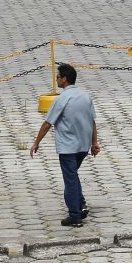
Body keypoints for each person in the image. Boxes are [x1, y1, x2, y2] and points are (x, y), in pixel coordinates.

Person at [30, 63, 100, 226]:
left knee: (70, 180)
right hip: (83, 147)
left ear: (65, 79)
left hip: (68, 148)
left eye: (58, 77)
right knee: (73, 176)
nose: (56, 80)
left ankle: (75, 216)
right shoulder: (85, 96)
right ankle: (81, 205)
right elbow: (93, 121)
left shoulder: (62, 99)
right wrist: (94, 143)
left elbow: (48, 123)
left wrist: (36, 142)